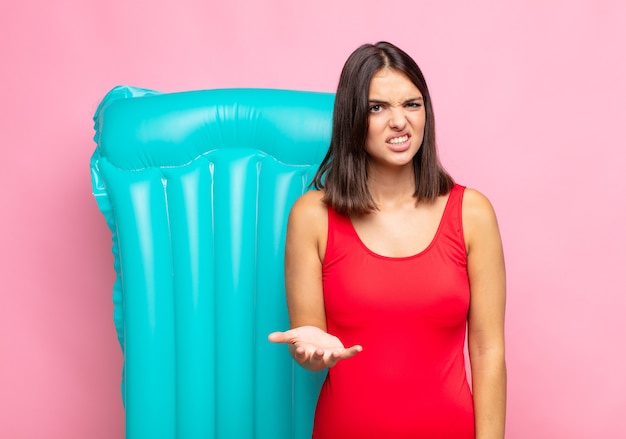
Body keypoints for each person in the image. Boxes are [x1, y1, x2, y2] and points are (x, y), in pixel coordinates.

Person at [268, 41, 506, 439]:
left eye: (411, 104)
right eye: (378, 107)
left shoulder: (472, 213)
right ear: (353, 118)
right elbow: (310, 348)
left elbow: (488, 352)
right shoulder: (312, 216)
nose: (399, 121)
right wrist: (307, 350)